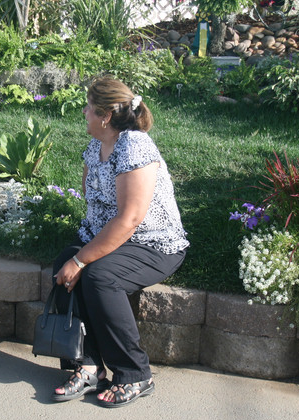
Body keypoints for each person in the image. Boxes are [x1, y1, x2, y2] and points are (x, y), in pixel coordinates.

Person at [50, 77, 189, 408]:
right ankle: (87, 365)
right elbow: (93, 197)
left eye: (88, 107)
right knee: (63, 263)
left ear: (105, 115)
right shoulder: (94, 147)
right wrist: (77, 258)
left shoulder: (135, 146)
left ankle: (134, 373)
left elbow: (130, 219)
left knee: (100, 276)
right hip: (109, 238)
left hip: (153, 243)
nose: (83, 111)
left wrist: (83, 261)